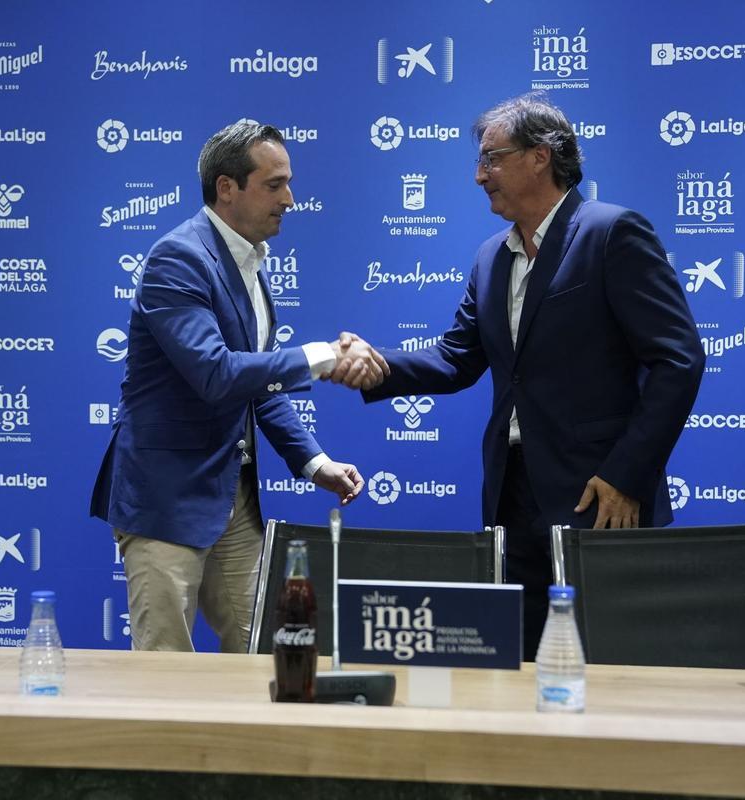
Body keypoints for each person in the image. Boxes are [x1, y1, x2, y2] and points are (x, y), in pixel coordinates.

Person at [358, 94, 704, 660]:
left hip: (598, 495)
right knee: (516, 661)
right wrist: (375, 364)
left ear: (541, 156)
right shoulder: (491, 257)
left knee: (607, 665)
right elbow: (457, 358)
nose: (479, 176)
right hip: (511, 496)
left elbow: (678, 359)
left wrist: (627, 476)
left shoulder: (612, 233)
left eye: (491, 159)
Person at [91, 121, 388, 652]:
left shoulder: (250, 261)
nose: (290, 199)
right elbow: (216, 373)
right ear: (227, 187)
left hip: (234, 499)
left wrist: (314, 462)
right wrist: (323, 356)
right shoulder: (178, 258)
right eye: (275, 185)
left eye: (288, 183)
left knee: (264, 654)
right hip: (167, 500)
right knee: (162, 669)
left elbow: (258, 385)